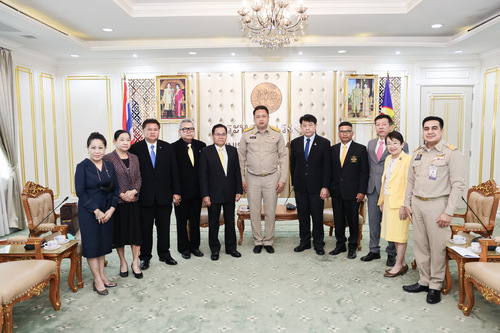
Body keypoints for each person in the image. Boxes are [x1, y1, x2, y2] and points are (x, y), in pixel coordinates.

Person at [403, 116, 465, 304]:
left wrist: (449, 212)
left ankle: (435, 285)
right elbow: (410, 181)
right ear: (423, 131)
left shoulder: (451, 153)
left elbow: (458, 185)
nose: (429, 131)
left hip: (438, 205)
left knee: (437, 247)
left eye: (434, 128)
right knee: (420, 245)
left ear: (442, 131)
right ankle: (424, 280)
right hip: (417, 205)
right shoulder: (417, 153)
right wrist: (408, 203)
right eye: (426, 128)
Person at [129, 119, 181, 270]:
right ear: (143, 131)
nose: (152, 132)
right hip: (144, 197)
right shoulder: (135, 149)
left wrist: (176, 192)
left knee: (164, 227)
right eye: (149, 129)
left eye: (155, 129)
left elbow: (174, 172)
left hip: (164, 196)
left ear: (159, 131)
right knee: (145, 229)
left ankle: (164, 253)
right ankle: (145, 257)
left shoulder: (168, 148)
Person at [238, 105, 288, 254]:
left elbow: (284, 158)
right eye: (258, 116)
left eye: (264, 116)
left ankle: (269, 241)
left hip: (272, 177)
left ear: (268, 117)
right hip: (252, 178)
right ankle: (258, 241)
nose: (261, 119)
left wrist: (283, 179)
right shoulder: (247, 134)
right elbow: (241, 158)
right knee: (254, 211)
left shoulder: (277, 134)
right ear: (254, 118)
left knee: (270, 211)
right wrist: (242, 178)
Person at [75, 132, 119, 295]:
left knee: (103, 244)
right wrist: (97, 211)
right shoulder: (82, 166)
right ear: (88, 149)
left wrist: (111, 209)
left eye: (100, 147)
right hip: (90, 212)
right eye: (93, 147)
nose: (97, 151)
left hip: (107, 211)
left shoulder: (109, 165)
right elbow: (80, 192)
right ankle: (97, 279)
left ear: (105, 148)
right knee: (93, 245)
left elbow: (116, 189)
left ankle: (102, 275)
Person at [362, 114, 409, 266]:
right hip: (374, 189)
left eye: (384, 124)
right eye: (378, 124)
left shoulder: (400, 144)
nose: (381, 127)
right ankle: (374, 250)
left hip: (392, 191)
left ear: (391, 126)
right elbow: (369, 167)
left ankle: (391, 253)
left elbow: (403, 171)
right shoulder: (371, 143)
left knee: (392, 223)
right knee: (373, 222)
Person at [199, 124, 243, 261]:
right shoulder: (206, 152)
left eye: (223, 134)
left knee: (230, 222)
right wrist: (205, 195)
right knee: (213, 223)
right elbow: (203, 176)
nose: (220, 136)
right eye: (217, 134)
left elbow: (237, 172)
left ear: (226, 136)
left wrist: (238, 190)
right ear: (213, 136)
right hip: (213, 194)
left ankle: (231, 248)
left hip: (230, 193)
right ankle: (215, 249)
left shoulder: (232, 150)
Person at [103, 130, 143, 279]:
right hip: (117, 203)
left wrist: (134, 191)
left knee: (135, 234)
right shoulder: (108, 158)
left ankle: (135, 263)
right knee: (120, 235)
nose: (125, 142)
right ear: (114, 141)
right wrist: (120, 194)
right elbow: (107, 181)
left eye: (128, 139)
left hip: (133, 201)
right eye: (122, 140)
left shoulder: (134, 158)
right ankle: (123, 262)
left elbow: (139, 178)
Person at [290, 114, 331, 255]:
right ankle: (305, 242)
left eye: (310, 125)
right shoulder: (295, 143)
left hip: (317, 188)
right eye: (304, 125)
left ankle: (319, 243)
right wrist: (294, 184)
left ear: (315, 126)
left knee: (317, 216)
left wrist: (325, 186)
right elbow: (293, 165)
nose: (307, 128)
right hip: (300, 187)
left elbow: (327, 167)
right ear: (301, 127)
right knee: (303, 216)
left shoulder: (324, 143)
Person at [329, 122, 369, 259]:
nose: (344, 133)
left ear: (352, 133)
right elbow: (330, 172)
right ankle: (340, 245)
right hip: (336, 192)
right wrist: (328, 188)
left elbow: (364, 172)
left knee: (353, 221)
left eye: (347, 131)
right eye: (342, 131)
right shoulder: (333, 149)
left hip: (353, 193)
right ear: (338, 134)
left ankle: (352, 247)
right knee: (338, 220)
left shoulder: (360, 149)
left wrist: (361, 191)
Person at [377, 131, 411, 277]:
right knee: (394, 235)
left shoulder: (408, 160)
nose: (392, 146)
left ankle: (398, 265)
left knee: (401, 235)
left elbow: (408, 185)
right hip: (389, 201)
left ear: (402, 144)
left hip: (400, 204)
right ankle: (403, 263)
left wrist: (405, 205)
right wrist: (382, 201)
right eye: (389, 143)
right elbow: (385, 182)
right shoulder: (388, 159)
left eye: (395, 143)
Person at [172, 119, 206, 259]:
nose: (188, 131)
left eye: (191, 129)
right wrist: (175, 192)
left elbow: (204, 171)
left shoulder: (201, 146)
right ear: (180, 132)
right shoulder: (173, 148)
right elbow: (172, 173)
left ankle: (195, 247)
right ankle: (183, 248)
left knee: (194, 222)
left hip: (197, 192)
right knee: (181, 222)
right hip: (181, 193)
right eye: (185, 129)